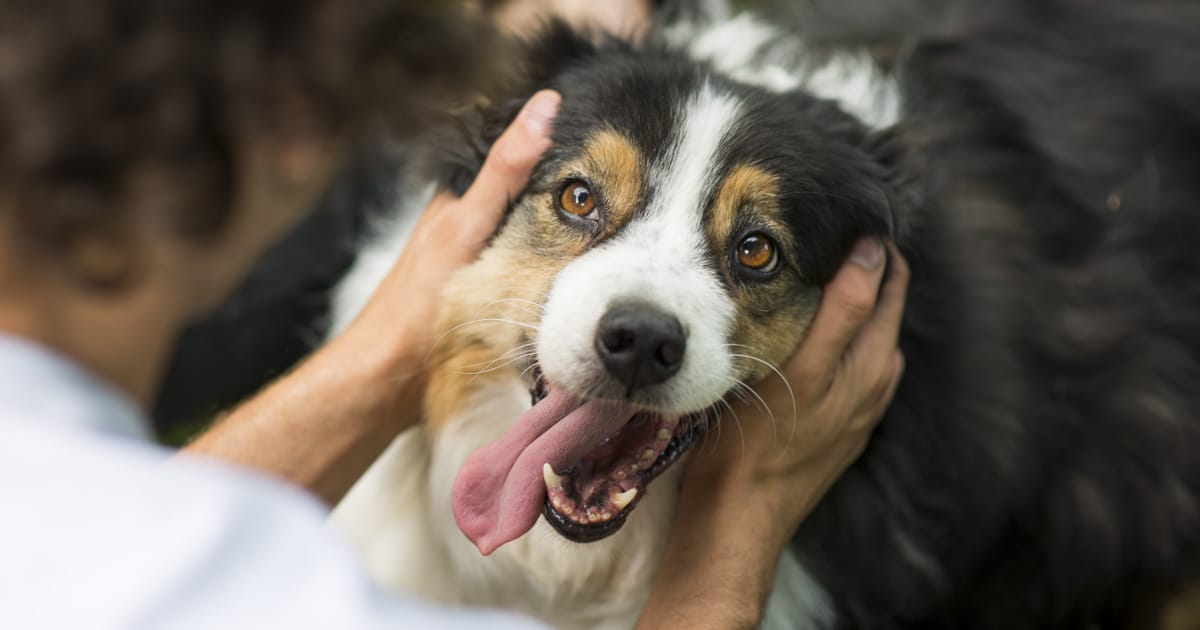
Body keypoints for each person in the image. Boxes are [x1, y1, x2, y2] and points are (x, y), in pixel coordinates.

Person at [0, 2, 908, 628]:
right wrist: (729, 553)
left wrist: (384, 360)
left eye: (755, 253)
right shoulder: (282, 597)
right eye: (582, 200)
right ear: (287, 134)